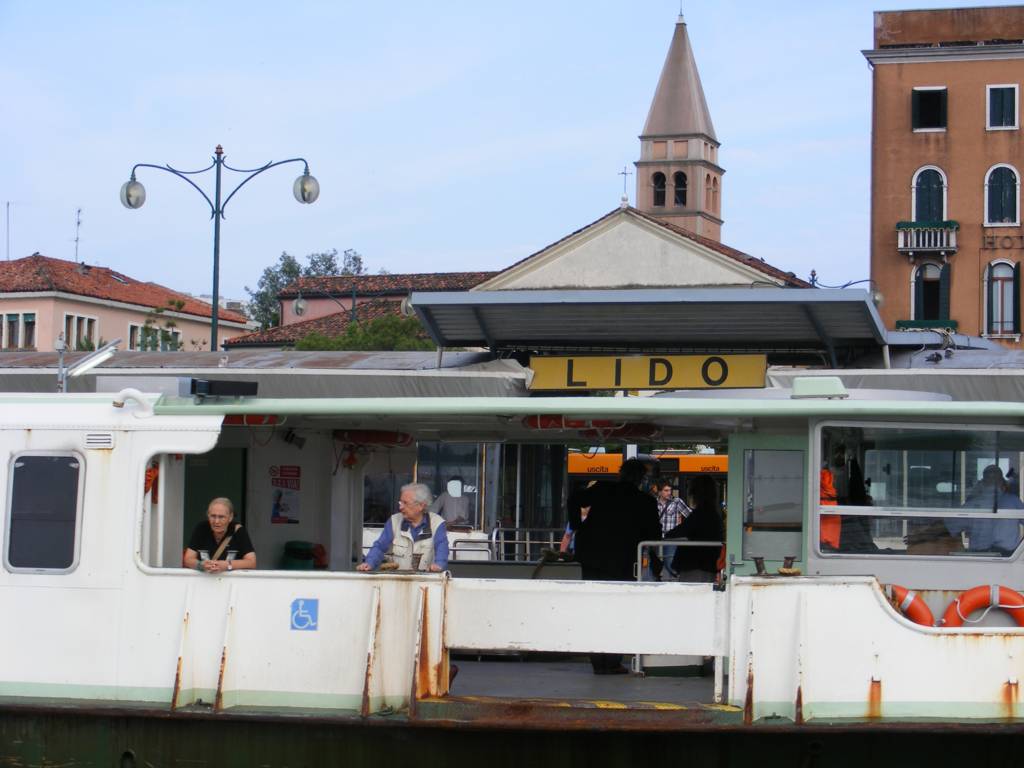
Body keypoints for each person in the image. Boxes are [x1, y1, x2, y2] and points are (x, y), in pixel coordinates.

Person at [569, 458, 661, 675]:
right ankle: (612, 662)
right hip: (623, 563)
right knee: (619, 611)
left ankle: (597, 662)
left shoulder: (602, 488)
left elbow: (574, 498)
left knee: (594, 609)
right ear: (641, 479)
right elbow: (654, 537)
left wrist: (577, 525)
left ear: (620, 473)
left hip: (592, 559)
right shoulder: (645, 501)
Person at [358, 483, 449, 572]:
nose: (400, 507)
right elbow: (380, 547)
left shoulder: (437, 523)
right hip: (397, 581)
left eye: (405, 503)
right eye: (400, 502)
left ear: (421, 506)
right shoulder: (394, 521)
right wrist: (369, 563)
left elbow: (441, 547)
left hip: (426, 583)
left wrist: (438, 565)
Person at [948, 465, 1024, 555]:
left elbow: (952, 528)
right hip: (1009, 556)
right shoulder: (1013, 501)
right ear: (1001, 482)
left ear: (983, 482)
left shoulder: (972, 503)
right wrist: (1020, 548)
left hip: (978, 556)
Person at [664, 475, 724, 582]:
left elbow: (679, 532)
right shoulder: (713, 514)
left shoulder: (700, 513)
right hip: (709, 563)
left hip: (695, 565)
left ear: (696, 493)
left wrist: (668, 535)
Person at [183, 498, 256, 573]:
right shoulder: (201, 528)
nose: (216, 521)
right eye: (213, 516)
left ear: (230, 517)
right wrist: (201, 565)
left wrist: (227, 565)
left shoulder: (238, 531)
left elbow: (251, 562)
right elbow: (188, 559)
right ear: (208, 515)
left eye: (221, 517)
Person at [656, 481, 691, 577]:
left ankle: (679, 577)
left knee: (669, 561)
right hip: (656, 537)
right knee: (655, 562)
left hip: (671, 537)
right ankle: (661, 581)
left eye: (670, 490)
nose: (669, 493)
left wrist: (682, 529)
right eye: (666, 490)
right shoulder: (654, 502)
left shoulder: (676, 502)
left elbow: (690, 515)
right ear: (659, 492)